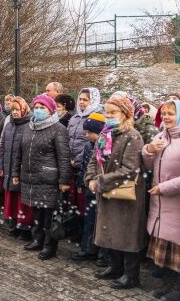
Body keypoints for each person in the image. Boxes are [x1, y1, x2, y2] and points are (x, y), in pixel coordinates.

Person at [85, 97, 146, 289]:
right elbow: (94, 160)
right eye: (107, 112)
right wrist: (90, 178)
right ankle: (115, 266)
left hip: (126, 194)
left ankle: (131, 274)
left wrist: (101, 181)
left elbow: (129, 169)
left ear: (125, 114)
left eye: (113, 112)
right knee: (110, 230)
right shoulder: (105, 134)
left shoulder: (133, 136)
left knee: (127, 234)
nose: (108, 116)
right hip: (107, 191)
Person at [14, 94, 71, 260]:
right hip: (30, 178)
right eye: (36, 107)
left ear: (50, 110)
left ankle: (49, 246)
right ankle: (37, 239)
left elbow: (64, 157)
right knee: (36, 212)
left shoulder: (58, 129)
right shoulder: (28, 127)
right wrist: (16, 173)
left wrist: (64, 180)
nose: (38, 111)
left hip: (48, 178)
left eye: (42, 108)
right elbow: (20, 152)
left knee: (48, 214)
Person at [142, 100, 180, 300]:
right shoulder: (160, 136)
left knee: (177, 247)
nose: (165, 117)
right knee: (166, 248)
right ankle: (168, 284)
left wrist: (164, 188)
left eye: (171, 114)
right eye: (164, 113)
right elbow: (149, 166)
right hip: (160, 203)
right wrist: (148, 150)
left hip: (174, 202)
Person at [71, 112, 107, 262]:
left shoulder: (106, 145)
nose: (87, 136)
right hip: (89, 188)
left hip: (103, 189)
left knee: (103, 223)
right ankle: (87, 249)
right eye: (85, 132)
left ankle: (104, 254)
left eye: (90, 132)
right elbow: (85, 167)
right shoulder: (88, 146)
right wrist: (82, 182)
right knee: (89, 221)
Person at [0, 96, 34, 240]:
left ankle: (24, 227)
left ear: (24, 109)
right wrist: (0, 164)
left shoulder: (29, 125)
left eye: (17, 109)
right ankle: (12, 223)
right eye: (12, 110)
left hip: (21, 169)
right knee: (10, 199)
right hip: (8, 167)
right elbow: (3, 146)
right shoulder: (9, 125)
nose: (14, 112)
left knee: (22, 200)